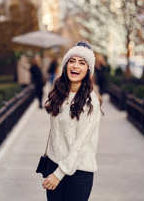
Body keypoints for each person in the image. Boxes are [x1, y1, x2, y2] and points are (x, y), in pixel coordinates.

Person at [42, 41, 102, 201]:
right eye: (72, 61)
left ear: (88, 70)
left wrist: (59, 174)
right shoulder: (59, 94)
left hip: (79, 173)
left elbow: (81, 143)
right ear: (65, 64)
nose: (76, 66)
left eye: (82, 63)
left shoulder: (91, 101)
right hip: (54, 165)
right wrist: (53, 170)